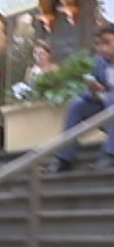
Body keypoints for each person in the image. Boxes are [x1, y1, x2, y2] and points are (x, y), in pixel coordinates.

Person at [48, 23, 114, 172]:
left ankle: (111, 154)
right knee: (76, 104)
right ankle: (64, 158)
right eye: (99, 44)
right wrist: (93, 90)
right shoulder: (99, 62)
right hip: (105, 109)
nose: (102, 48)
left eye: (107, 42)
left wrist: (106, 95)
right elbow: (86, 91)